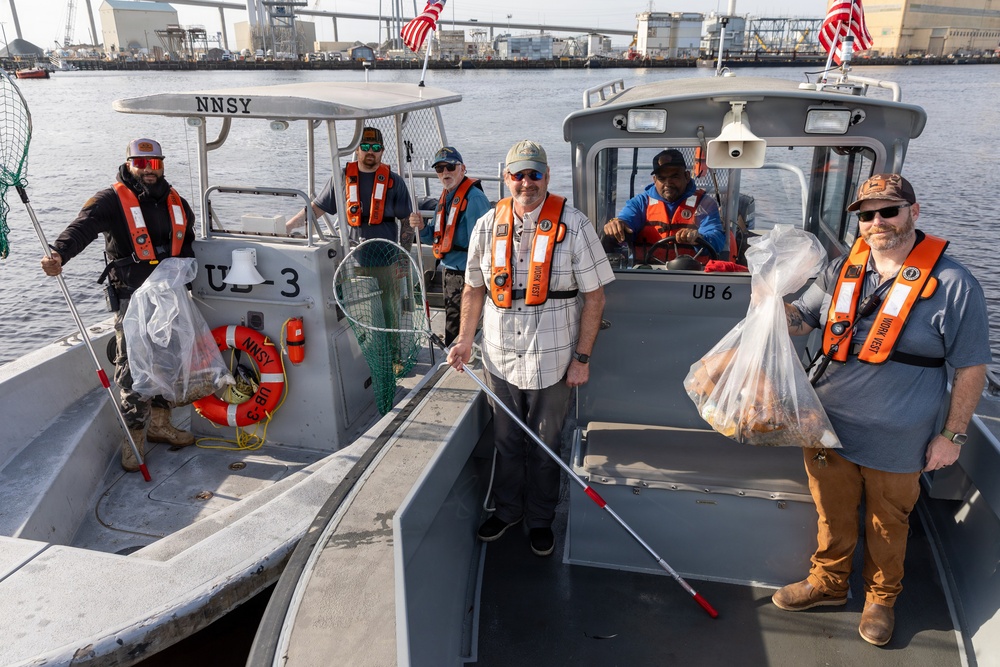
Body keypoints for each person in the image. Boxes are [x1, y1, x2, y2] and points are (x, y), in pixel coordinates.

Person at [776, 173, 990, 646]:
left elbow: (972, 368)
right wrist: (769, 303)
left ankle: (881, 598)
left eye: (889, 211)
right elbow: (800, 320)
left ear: (915, 212)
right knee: (831, 512)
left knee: (887, 521)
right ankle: (829, 583)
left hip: (900, 435)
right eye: (867, 215)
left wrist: (951, 436)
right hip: (828, 426)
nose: (877, 222)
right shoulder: (839, 271)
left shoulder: (955, 284)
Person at [447, 140, 615, 557]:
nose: (526, 183)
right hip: (499, 357)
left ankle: (540, 518)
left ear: (547, 177)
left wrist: (582, 359)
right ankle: (508, 511)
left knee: (544, 444)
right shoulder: (487, 225)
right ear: (506, 179)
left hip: (554, 360)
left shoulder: (575, 225)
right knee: (505, 440)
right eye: (518, 175)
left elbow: (595, 298)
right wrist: (465, 340)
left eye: (534, 174)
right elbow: (473, 288)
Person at [40, 138, 198, 472]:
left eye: (154, 164)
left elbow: (188, 245)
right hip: (130, 297)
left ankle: (159, 424)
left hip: (168, 296)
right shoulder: (110, 200)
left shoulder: (177, 201)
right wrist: (59, 254)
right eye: (140, 163)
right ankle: (134, 438)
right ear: (128, 164)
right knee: (133, 366)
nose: (147, 170)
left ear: (162, 166)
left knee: (167, 358)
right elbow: (82, 228)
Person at [407, 146, 491, 346]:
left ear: (462, 168)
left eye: (450, 167)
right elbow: (435, 237)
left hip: (466, 272)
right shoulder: (445, 198)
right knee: (453, 315)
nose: (445, 172)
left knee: (458, 320)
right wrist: (420, 228)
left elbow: (484, 244)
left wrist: (477, 277)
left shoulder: (475, 199)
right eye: (440, 169)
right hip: (448, 269)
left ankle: (456, 361)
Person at [286, 126, 413, 246]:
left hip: (386, 256)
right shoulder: (341, 178)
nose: (370, 151)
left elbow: (407, 222)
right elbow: (315, 209)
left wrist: (403, 258)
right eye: (364, 147)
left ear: (382, 151)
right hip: (351, 256)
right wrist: (287, 227)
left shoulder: (395, 181)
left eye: (375, 148)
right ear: (357, 149)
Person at [602, 149, 727, 264]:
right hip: (648, 275)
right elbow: (626, 220)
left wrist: (699, 238)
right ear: (654, 180)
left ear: (687, 176)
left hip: (693, 276)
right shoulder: (640, 203)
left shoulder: (705, 204)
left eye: (674, 176)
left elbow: (716, 238)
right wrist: (617, 225)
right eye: (662, 178)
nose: (668, 183)